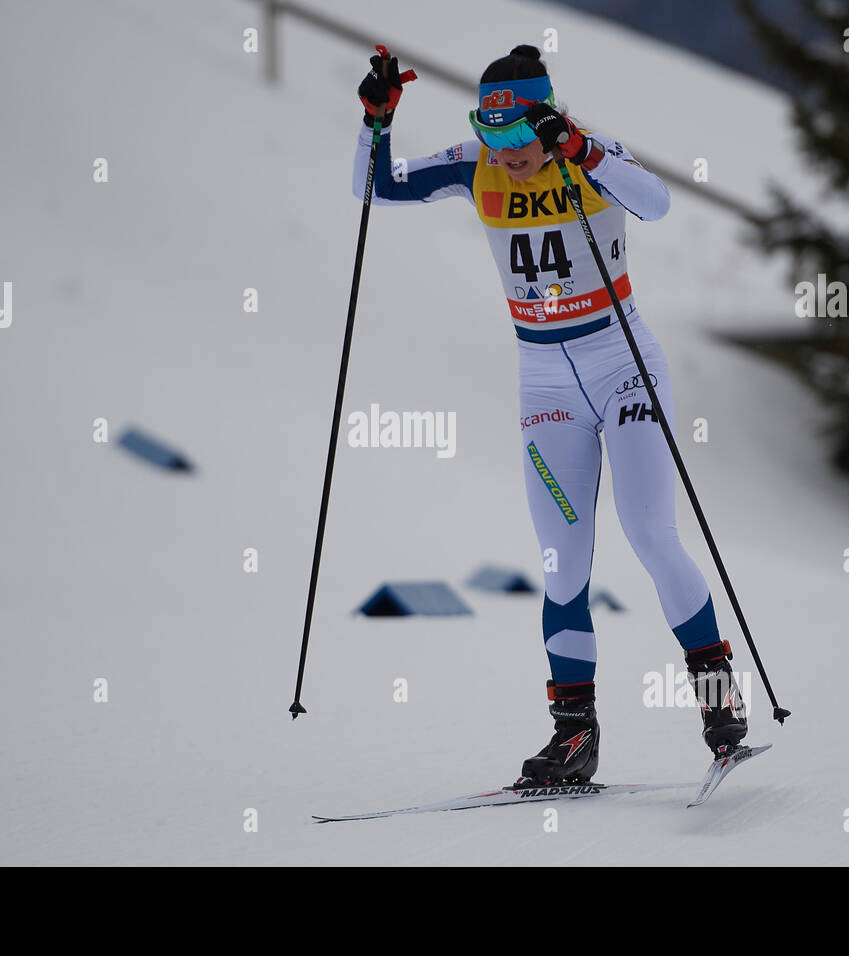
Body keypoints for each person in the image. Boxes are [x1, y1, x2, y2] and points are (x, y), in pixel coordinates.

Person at [353, 45, 747, 786]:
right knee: (562, 561)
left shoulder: (587, 156)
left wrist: (584, 151)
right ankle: (575, 734)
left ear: (549, 121)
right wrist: (376, 122)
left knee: (650, 535)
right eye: (490, 135)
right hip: (545, 380)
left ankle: (718, 701)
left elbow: (657, 203)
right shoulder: (477, 164)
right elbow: (373, 190)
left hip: (621, 362)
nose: (506, 155)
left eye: (517, 138)